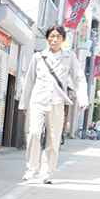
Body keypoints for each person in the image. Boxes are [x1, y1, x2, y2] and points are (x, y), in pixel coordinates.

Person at [19, 25, 88, 184]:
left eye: (58, 37)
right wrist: (24, 103)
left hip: (57, 103)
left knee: (53, 138)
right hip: (38, 101)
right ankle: (32, 168)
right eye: (51, 36)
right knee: (34, 133)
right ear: (46, 39)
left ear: (63, 39)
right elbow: (29, 80)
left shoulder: (70, 57)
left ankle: (46, 172)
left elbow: (79, 78)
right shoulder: (38, 57)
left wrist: (83, 99)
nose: (54, 39)